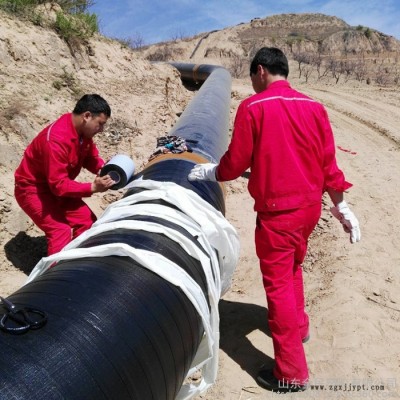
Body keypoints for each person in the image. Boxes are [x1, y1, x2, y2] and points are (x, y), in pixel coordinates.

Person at [188, 47, 361, 392]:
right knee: (293, 267)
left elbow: (235, 162)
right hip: (309, 209)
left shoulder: (254, 107)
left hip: (278, 213)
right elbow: (329, 165)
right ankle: (301, 328)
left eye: (253, 78)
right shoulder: (314, 107)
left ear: (261, 71)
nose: (253, 85)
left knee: (278, 284)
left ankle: (291, 373)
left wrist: (212, 172)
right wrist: (342, 206)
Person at [14, 94, 116, 256]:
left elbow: (90, 158)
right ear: (87, 116)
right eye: (100, 124)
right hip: (33, 190)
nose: (101, 129)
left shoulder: (82, 133)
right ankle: (55, 276)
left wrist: (104, 169)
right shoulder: (56, 140)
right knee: (60, 231)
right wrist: (93, 187)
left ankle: (77, 261)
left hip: (56, 185)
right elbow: (59, 186)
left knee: (86, 221)